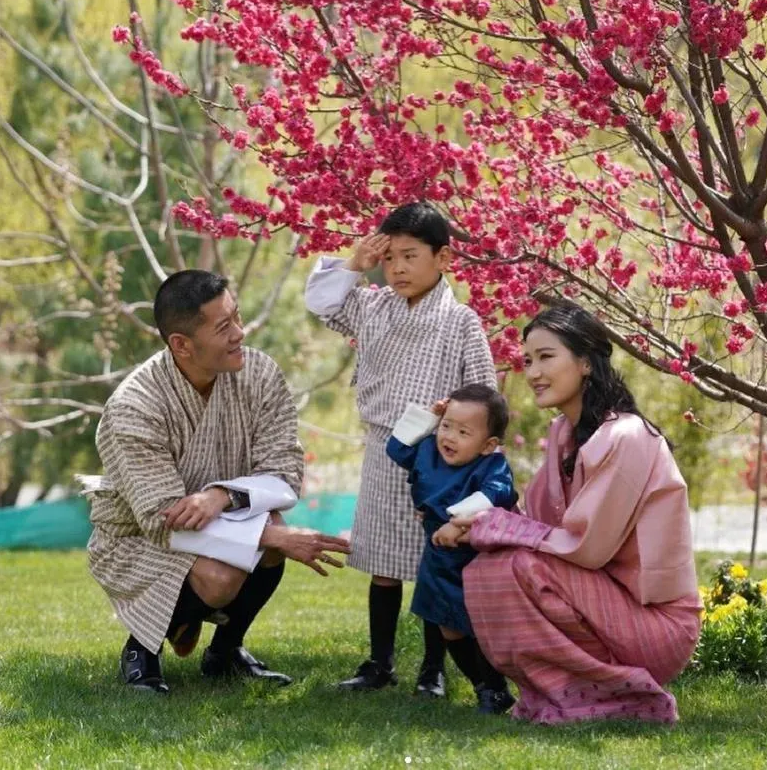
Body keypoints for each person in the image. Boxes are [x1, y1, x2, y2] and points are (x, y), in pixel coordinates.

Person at [87, 270, 351, 695]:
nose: (240, 334)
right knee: (227, 572)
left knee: (269, 536)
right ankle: (142, 647)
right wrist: (272, 537)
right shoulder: (133, 408)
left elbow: (285, 470)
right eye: (224, 326)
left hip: (222, 517)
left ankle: (225, 651)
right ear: (181, 344)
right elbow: (161, 520)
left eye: (238, 317)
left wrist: (223, 495)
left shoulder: (260, 373)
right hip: (138, 539)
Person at [447, 302, 702, 725]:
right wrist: (476, 522)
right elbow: (540, 525)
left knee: (518, 564)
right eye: (528, 360)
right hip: (606, 604)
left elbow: (585, 548)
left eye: (547, 357)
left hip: (658, 626)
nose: (532, 373)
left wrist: (494, 525)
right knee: (487, 567)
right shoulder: (563, 434)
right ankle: (566, 692)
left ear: (585, 361)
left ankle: (623, 697)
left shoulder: (627, 436)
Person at [305, 202, 497, 695]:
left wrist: (458, 425)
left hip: (441, 457)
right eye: (389, 258)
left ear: (444, 258)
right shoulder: (373, 305)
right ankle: (379, 662)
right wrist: (353, 264)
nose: (398, 269)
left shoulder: (461, 322)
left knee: (432, 563)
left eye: (410, 256)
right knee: (384, 567)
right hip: (381, 448)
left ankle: (433, 669)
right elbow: (322, 303)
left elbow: (483, 393)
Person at [385, 385, 519, 713]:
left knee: (479, 625)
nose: (450, 437)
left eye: (463, 431)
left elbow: (497, 494)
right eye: (447, 425)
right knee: (448, 626)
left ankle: (496, 685)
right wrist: (428, 418)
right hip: (438, 554)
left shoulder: (491, 465)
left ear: (488, 444)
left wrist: (458, 522)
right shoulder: (428, 449)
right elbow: (396, 447)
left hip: (477, 554)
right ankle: (486, 687)